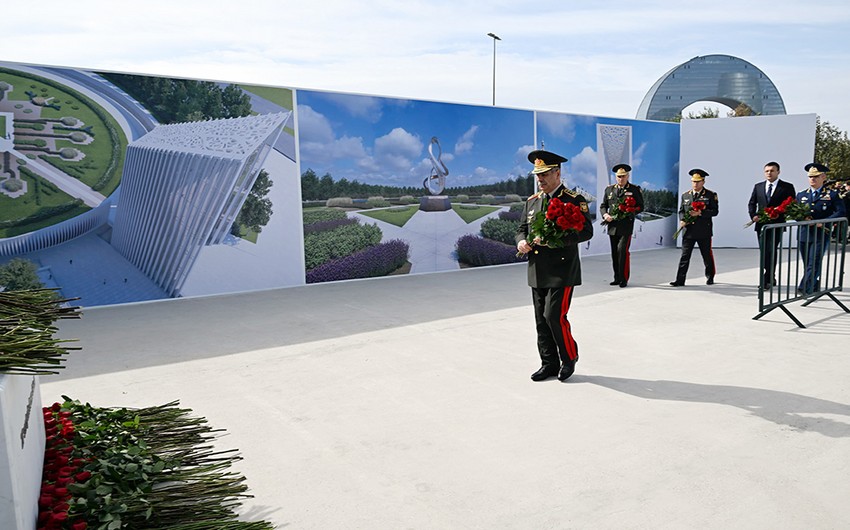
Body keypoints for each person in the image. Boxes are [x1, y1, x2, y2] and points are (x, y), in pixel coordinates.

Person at [516, 150, 593, 382]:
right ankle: (548, 363)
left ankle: (569, 357)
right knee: (541, 319)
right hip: (537, 269)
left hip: (562, 269)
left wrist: (555, 240)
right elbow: (522, 229)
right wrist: (520, 242)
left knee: (554, 316)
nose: (540, 179)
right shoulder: (533, 202)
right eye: (538, 175)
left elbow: (586, 231)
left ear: (558, 173)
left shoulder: (573, 200)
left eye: (545, 174)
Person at [796, 163, 846, 294]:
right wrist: (803, 218)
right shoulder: (801, 195)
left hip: (821, 233)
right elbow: (795, 212)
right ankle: (814, 285)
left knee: (814, 261)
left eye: (816, 176)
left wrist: (824, 222)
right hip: (804, 233)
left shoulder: (832, 194)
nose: (812, 179)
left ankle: (804, 287)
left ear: (823, 177)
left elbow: (841, 211)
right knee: (808, 262)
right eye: (810, 177)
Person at [747, 161, 795, 287]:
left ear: (778, 172)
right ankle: (769, 276)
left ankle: (767, 278)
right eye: (767, 171)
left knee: (771, 250)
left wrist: (779, 212)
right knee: (764, 251)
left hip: (777, 224)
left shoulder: (787, 187)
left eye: (772, 170)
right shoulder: (758, 186)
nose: (769, 173)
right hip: (761, 225)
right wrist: (753, 216)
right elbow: (752, 203)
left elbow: (791, 204)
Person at [669, 169, 719, 286]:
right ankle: (680, 280)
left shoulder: (710, 195)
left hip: (703, 231)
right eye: (693, 181)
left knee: (706, 256)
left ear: (703, 182)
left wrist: (701, 213)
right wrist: (682, 220)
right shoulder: (685, 195)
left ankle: (710, 276)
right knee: (684, 256)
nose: (695, 184)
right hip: (688, 231)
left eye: (698, 182)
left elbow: (715, 211)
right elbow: (681, 211)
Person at [600, 164, 644, 287]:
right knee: (614, 252)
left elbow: (641, 206)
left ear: (628, 176)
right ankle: (616, 277)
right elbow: (603, 205)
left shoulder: (634, 189)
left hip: (626, 225)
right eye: (619, 177)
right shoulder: (609, 190)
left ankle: (624, 278)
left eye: (623, 176)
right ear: (615, 177)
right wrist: (605, 215)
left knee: (622, 251)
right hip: (612, 225)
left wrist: (631, 211)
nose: (621, 179)